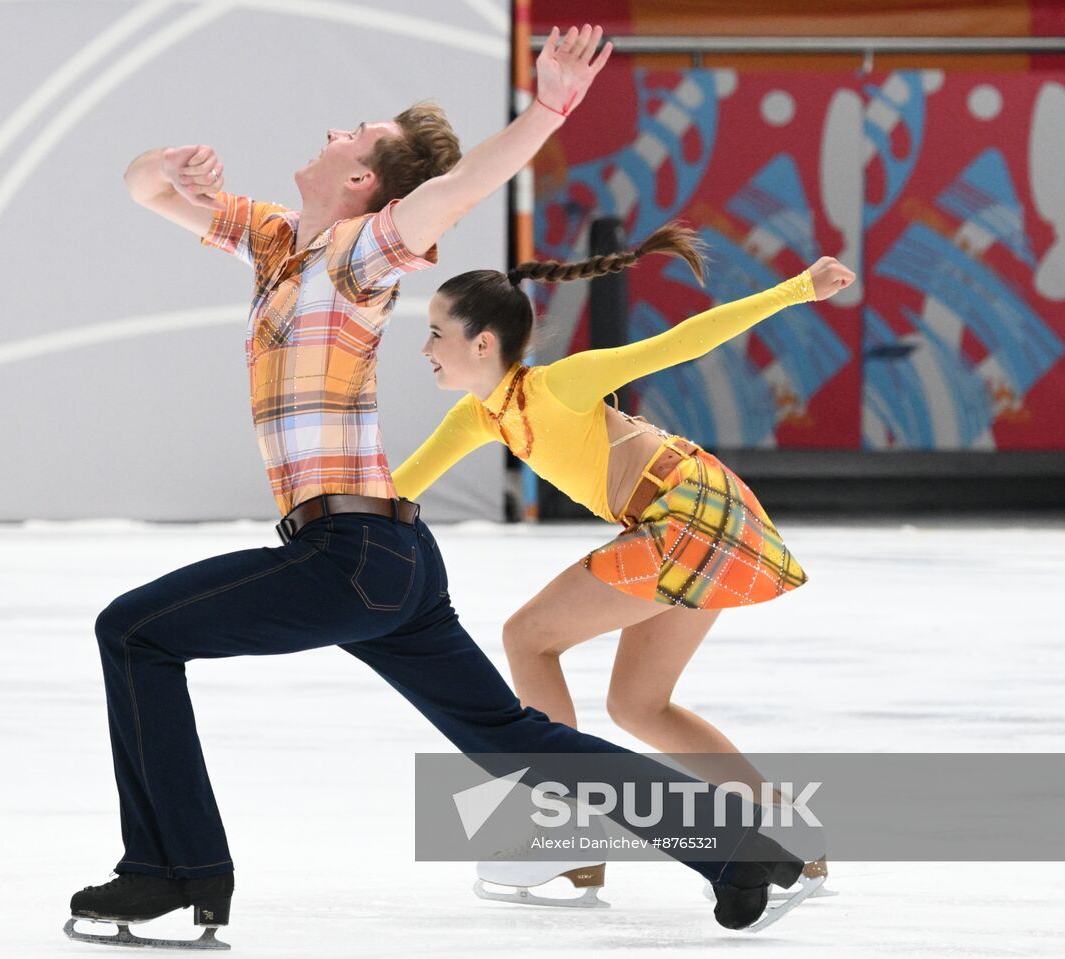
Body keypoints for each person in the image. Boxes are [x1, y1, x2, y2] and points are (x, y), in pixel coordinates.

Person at [67, 26, 815, 950]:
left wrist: (548, 108)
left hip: (350, 554)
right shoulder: (270, 241)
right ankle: (737, 850)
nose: (333, 128)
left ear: (363, 182)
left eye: (354, 131)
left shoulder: (360, 254)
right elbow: (143, 188)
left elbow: (458, 190)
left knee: (132, 632)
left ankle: (175, 867)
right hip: (389, 562)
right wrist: (166, 163)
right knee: (513, 738)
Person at [392, 225, 854, 906]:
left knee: (528, 636)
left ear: (481, 343)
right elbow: (397, 489)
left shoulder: (559, 385)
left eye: (436, 333)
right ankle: (786, 827)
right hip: (699, 513)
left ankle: (567, 833)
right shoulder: (481, 418)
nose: (425, 348)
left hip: (687, 511)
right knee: (638, 703)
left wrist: (797, 290)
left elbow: (679, 342)